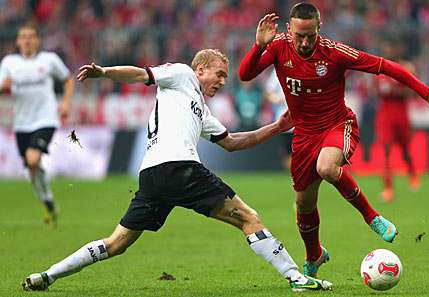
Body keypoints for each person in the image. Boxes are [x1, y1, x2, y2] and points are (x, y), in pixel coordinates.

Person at [22, 49, 332, 292]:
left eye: (225, 76)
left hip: (153, 176)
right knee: (248, 218)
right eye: (219, 74)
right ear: (200, 69)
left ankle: (47, 276)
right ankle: (296, 277)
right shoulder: (182, 74)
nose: (223, 81)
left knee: (116, 243)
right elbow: (141, 75)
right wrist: (104, 72)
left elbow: (233, 142)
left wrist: (277, 126)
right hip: (180, 167)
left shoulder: (201, 109)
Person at [239, 2, 429, 278]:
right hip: (303, 134)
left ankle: (372, 217)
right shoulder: (279, 46)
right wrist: (258, 46)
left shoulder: (335, 52)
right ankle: (314, 254)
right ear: (289, 29)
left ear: (320, 29)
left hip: (337, 124)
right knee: (304, 204)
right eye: (299, 35)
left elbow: (385, 67)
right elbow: (245, 75)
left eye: (310, 36)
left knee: (326, 167)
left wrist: (426, 92)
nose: (304, 42)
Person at [0, 23, 74, 227]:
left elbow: (67, 79)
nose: (27, 40)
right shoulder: (9, 63)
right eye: (23, 36)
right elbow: (1, 87)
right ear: (17, 41)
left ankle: (48, 200)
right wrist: (3, 88)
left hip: (46, 119)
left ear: (37, 40)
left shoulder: (48, 60)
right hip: (22, 123)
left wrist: (65, 103)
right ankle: (48, 203)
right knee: (32, 169)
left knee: (32, 160)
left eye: (31, 36)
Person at [374, 55, 419, 202]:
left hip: (401, 115)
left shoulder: (405, 69)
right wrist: (389, 90)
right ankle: (388, 188)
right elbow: (376, 92)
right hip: (386, 116)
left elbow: (410, 91)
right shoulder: (380, 71)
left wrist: (394, 90)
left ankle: (412, 176)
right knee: (386, 151)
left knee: (405, 150)